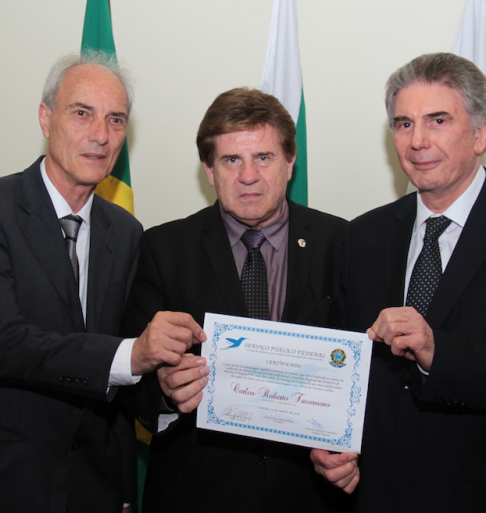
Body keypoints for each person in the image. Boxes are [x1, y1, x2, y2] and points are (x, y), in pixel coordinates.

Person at [0, 52, 204, 513]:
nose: (100, 135)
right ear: (46, 118)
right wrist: (133, 354)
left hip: (91, 487)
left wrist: (167, 385)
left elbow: (122, 373)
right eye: (82, 113)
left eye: (115, 119)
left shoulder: (126, 232)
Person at [311, 52, 486, 512]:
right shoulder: (363, 235)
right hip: (378, 495)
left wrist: (437, 353)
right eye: (404, 124)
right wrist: (327, 441)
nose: (417, 141)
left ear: (480, 133)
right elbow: (344, 362)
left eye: (438, 120)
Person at [121, 88, 353, 512]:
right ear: (209, 170)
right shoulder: (162, 249)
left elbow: (367, 376)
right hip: (197, 496)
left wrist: (350, 451)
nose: (248, 176)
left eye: (263, 157)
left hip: (309, 495)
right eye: (231, 160)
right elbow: (129, 384)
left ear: (290, 161)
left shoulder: (342, 243)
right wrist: (166, 395)